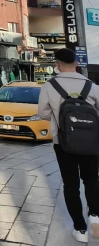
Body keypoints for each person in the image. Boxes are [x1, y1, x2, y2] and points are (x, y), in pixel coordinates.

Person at [38, 48, 99, 243]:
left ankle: (80, 229)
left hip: (63, 142)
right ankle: (95, 215)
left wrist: (59, 117)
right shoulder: (92, 86)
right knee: (92, 180)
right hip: (91, 143)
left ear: (57, 65)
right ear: (76, 64)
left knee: (70, 184)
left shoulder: (50, 86)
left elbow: (42, 113)